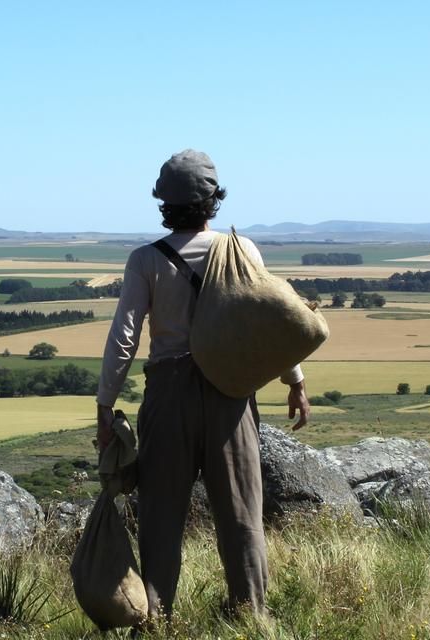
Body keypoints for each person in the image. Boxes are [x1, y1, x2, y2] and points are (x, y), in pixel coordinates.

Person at [95, 149, 310, 620]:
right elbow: (268, 324)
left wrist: (106, 406)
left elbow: (125, 337)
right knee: (241, 514)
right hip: (230, 392)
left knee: (161, 518)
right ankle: (250, 616)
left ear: (164, 203)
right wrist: (295, 380)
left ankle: (156, 619)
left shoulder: (145, 261)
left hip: (168, 395)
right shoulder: (242, 250)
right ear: (213, 200)